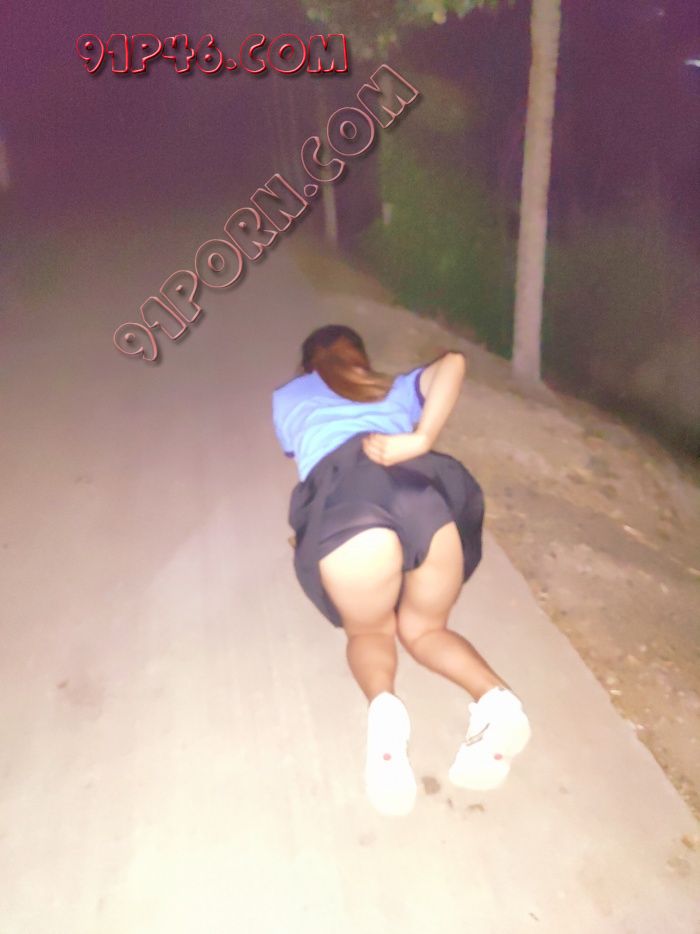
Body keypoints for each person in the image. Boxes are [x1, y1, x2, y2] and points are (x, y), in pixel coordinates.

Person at [272, 325, 531, 816]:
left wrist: (310, 534)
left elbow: (309, 471)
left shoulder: (287, 397)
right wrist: (421, 438)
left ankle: (386, 715)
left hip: (348, 508)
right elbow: (454, 362)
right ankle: (496, 703)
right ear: (361, 358)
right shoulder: (390, 387)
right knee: (425, 628)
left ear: (307, 364)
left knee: (370, 630)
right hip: (425, 496)